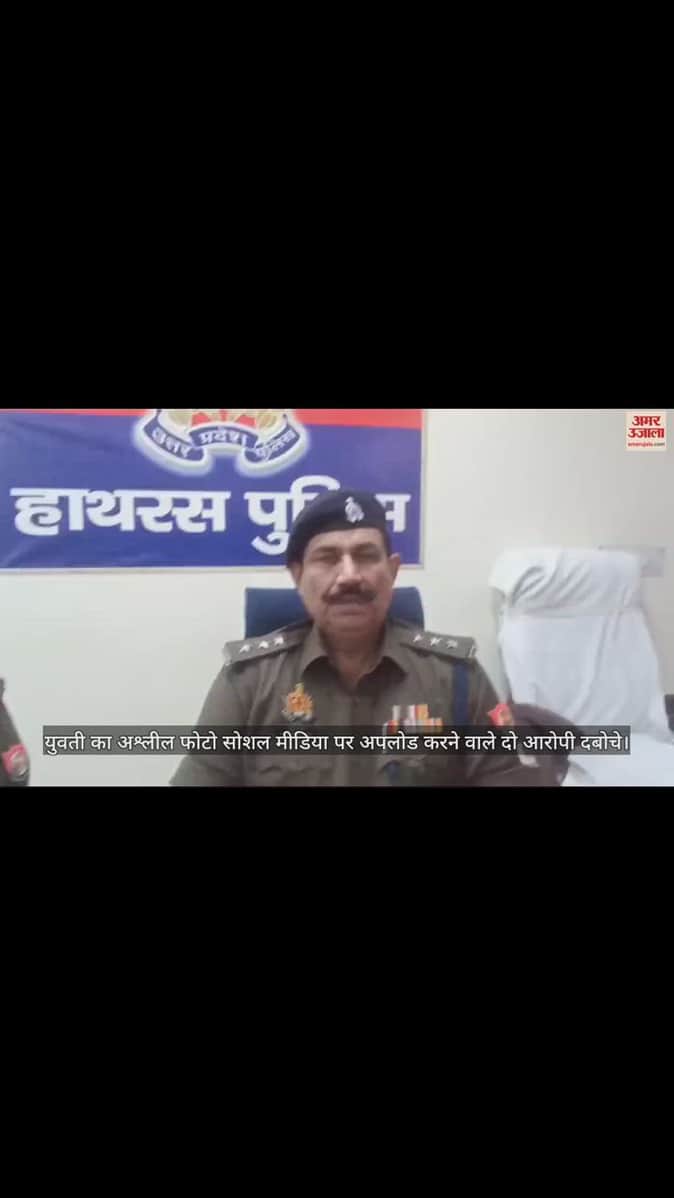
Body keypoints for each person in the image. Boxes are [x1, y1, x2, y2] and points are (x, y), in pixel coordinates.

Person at [171, 490, 566, 787]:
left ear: (392, 571)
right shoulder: (248, 682)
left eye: (365, 555)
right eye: (327, 558)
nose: (349, 576)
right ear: (297, 575)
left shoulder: (457, 677)